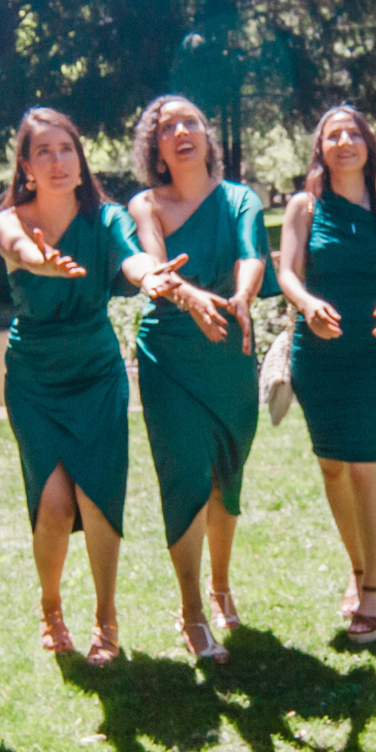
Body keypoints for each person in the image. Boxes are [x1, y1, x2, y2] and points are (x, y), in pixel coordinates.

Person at [0, 108, 187, 667]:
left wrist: (153, 276)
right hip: (34, 378)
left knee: (98, 498)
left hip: (96, 373)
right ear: (25, 165)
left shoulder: (106, 218)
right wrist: (41, 262)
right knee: (52, 505)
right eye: (43, 151)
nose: (56, 161)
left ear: (81, 159)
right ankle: (51, 606)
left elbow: (132, 257)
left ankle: (106, 616)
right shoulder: (8, 219)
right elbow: (16, 247)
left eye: (66, 149)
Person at [126, 96, 269, 664]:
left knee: (225, 477)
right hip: (171, 357)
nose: (180, 132)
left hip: (230, 352)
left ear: (207, 136)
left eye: (190, 121)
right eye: (165, 128)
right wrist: (186, 296)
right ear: (154, 148)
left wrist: (241, 297)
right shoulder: (145, 205)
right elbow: (155, 266)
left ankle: (221, 583)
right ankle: (191, 611)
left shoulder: (240, 199)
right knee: (185, 478)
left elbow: (252, 256)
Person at [277, 105, 376, 643]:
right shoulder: (305, 206)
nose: (343, 141)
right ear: (321, 149)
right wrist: (307, 304)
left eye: (352, 132)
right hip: (320, 351)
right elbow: (287, 271)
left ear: (368, 142)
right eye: (332, 134)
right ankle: (356, 572)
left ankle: (375, 585)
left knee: (363, 464)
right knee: (332, 466)